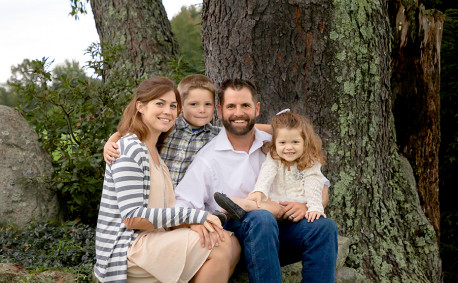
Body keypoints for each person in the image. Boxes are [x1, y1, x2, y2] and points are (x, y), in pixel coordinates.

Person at [174, 79, 338, 283]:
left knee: (324, 227)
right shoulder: (208, 158)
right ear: (220, 110)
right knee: (261, 218)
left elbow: (320, 182)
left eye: (245, 106)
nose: (238, 113)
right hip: (237, 239)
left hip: (277, 235)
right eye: (231, 106)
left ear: (257, 108)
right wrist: (194, 222)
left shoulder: (277, 143)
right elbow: (182, 203)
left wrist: (306, 206)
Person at [94, 76, 237, 283]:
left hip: (155, 238)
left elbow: (249, 131)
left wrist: (190, 224)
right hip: (126, 248)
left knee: (231, 244)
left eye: (172, 106)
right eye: (159, 104)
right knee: (219, 244)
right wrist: (194, 216)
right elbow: (132, 218)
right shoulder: (129, 149)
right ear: (140, 106)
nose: (167, 111)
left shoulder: (155, 153)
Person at [104, 74, 271, 188]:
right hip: (159, 196)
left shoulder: (214, 134)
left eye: (207, 104)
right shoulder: (169, 125)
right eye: (194, 104)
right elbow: (131, 131)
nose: (202, 110)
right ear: (181, 106)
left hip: (187, 202)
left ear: (215, 107)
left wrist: (278, 129)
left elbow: (247, 127)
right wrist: (111, 142)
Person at [214, 111, 327, 223]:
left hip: (296, 205)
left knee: (263, 206)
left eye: (295, 142)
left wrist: (314, 207)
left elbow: (314, 184)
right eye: (282, 142)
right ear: (275, 143)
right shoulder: (275, 157)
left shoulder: (311, 162)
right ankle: (223, 214)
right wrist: (258, 191)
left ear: (305, 142)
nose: (288, 147)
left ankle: (240, 204)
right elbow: (266, 173)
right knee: (264, 202)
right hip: (277, 202)